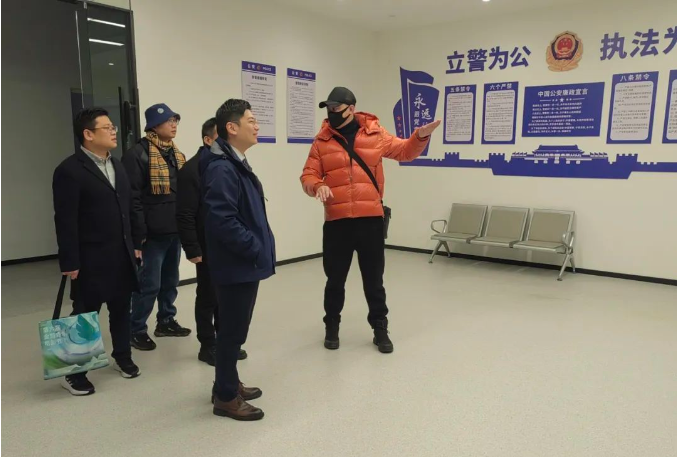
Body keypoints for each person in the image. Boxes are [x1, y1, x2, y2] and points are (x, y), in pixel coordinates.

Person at [300, 86, 441, 353]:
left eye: (336, 108)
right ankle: (332, 327)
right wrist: (317, 185)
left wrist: (420, 136)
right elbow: (308, 174)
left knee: (374, 281)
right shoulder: (322, 141)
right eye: (328, 109)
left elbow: (405, 152)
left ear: (351, 109)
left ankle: (380, 328)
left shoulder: (375, 134)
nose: (331, 113)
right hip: (337, 222)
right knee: (335, 281)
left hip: (370, 222)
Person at [53, 107, 141, 396]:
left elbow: (129, 206)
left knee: (121, 308)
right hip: (90, 257)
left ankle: (123, 356)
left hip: (122, 253)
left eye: (113, 127)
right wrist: (70, 260)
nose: (114, 131)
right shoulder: (69, 170)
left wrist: (137, 243)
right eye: (107, 128)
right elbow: (65, 219)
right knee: (85, 313)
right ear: (88, 134)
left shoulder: (117, 165)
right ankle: (74, 372)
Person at [201, 99, 276, 421]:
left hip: (242, 264)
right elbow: (222, 220)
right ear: (231, 128)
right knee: (232, 333)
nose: (257, 126)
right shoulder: (222, 167)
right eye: (251, 120)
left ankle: (226, 384)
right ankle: (226, 398)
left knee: (234, 331)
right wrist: (254, 248)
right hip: (236, 265)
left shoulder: (234, 161)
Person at [177, 117, 248, 366]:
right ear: (208, 140)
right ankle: (207, 345)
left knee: (225, 296)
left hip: (226, 243)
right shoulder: (193, 169)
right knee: (208, 296)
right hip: (206, 245)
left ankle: (224, 342)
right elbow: (185, 213)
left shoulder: (228, 164)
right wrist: (192, 248)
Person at [123, 103, 192, 351]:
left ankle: (166, 321)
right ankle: (136, 329)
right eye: (169, 121)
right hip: (151, 235)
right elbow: (132, 198)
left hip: (174, 230)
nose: (174, 125)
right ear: (154, 125)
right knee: (148, 284)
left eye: (175, 121)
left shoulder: (176, 154)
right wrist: (138, 234)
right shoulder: (137, 155)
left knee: (170, 281)